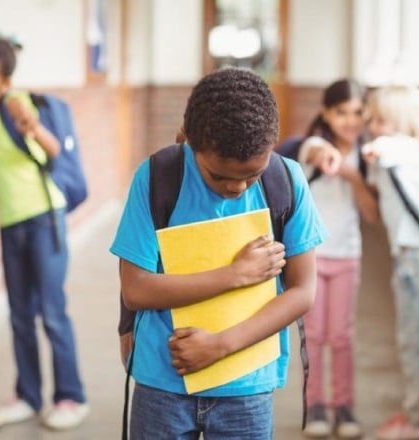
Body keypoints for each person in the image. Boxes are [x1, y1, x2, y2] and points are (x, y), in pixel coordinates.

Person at [110, 67, 328, 439]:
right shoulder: (158, 177)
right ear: (186, 139)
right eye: (219, 176)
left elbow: (302, 292)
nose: (238, 187)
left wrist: (220, 346)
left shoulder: (286, 183)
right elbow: (136, 288)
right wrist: (235, 275)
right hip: (164, 379)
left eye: (252, 175)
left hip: (247, 385)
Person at [0, 38, 89, 431]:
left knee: (52, 313)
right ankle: (28, 395)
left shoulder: (15, 103)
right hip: (10, 225)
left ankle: (71, 397)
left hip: (43, 219)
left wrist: (32, 126)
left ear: (4, 81)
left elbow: (54, 151)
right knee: (20, 315)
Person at [295, 79, 379, 439]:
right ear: (326, 114)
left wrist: (352, 175)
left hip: (347, 255)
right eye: (341, 112)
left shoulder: (368, 156)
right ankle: (314, 405)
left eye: (357, 112)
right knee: (313, 334)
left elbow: (372, 214)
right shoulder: (314, 145)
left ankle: (344, 406)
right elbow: (313, 151)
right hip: (311, 258)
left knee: (341, 335)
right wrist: (327, 157)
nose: (349, 120)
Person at [362, 85, 419, 440]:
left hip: (417, 260)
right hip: (410, 259)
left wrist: (373, 146)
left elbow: (380, 149)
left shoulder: (406, 149)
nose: (374, 126)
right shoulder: (408, 154)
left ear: (402, 121)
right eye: (373, 119)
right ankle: (414, 411)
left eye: (381, 119)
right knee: (411, 340)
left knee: (414, 344)